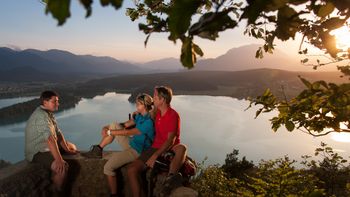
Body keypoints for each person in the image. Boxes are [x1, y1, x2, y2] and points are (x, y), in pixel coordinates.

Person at [82, 93, 155, 197]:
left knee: (108, 168)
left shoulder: (149, 122)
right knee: (114, 125)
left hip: (138, 152)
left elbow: (128, 132)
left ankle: (114, 195)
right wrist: (107, 127)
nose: (136, 106)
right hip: (132, 144)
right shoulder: (139, 116)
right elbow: (125, 125)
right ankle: (98, 149)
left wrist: (109, 132)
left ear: (145, 105)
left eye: (138, 104)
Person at [127, 86, 187, 197]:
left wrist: (155, 155)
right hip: (155, 146)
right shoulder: (157, 112)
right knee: (131, 170)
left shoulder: (173, 115)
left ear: (162, 100)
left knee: (182, 147)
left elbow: (170, 140)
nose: (153, 98)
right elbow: (146, 113)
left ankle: (171, 178)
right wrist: (137, 114)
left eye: (155, 96)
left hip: (169, 147)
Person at [25, 90, 79, 192]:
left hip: (47, 146)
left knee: (72, 147)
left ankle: (54, 179)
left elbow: (58, 133)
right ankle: (56, 191)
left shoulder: (48, 113)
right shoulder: (41, 116)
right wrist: (59, 160)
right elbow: (50, 139)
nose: (58, 103)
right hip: (37, 151)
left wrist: (67, 150)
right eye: (54, 101)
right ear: (45, 102)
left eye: (57, 101)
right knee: (62, 168)